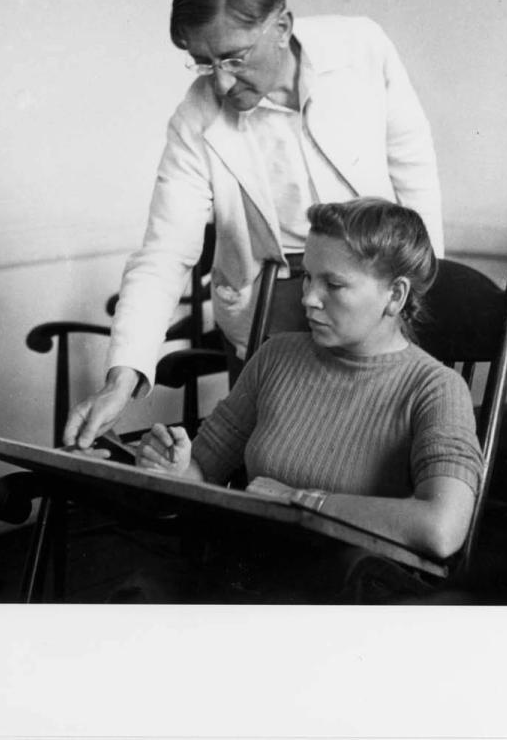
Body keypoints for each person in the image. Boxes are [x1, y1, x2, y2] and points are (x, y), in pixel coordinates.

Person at [64, 0, 444, 450]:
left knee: (367, 460)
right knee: (268, 461)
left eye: (234, 58)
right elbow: (164, 252)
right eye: (202, 62)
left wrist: (425, 287)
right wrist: (121, 379)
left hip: (370, 300)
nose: (220, 82)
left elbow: (413, 165)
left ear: (282, 27)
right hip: (267, 308)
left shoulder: (362, 48)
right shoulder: (195, 119)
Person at [131, 198, 482, 602]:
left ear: (395, 295)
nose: (309, 298)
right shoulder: (276, 357)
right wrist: (175, 469)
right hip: (249, 577)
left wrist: (299, 502)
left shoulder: (435, 389)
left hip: (350, 602)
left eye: (333, 285)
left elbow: (442, 529)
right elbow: (202, 473)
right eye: (306, 278)